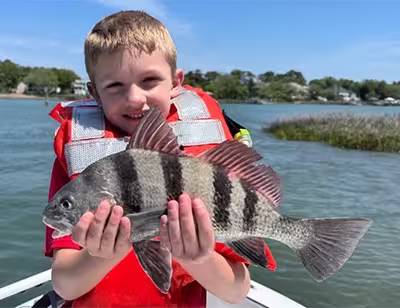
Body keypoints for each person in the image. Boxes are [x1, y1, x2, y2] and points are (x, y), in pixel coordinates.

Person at [43, 10, 276, 308]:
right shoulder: (78, 164)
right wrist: (105, 253)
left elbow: (236, 291)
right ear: (94, 92)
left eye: (149, 80)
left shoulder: (205, 166)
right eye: (115, 85)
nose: (135, 98)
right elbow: (65, 284)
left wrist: (198, 258)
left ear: (176, 82)